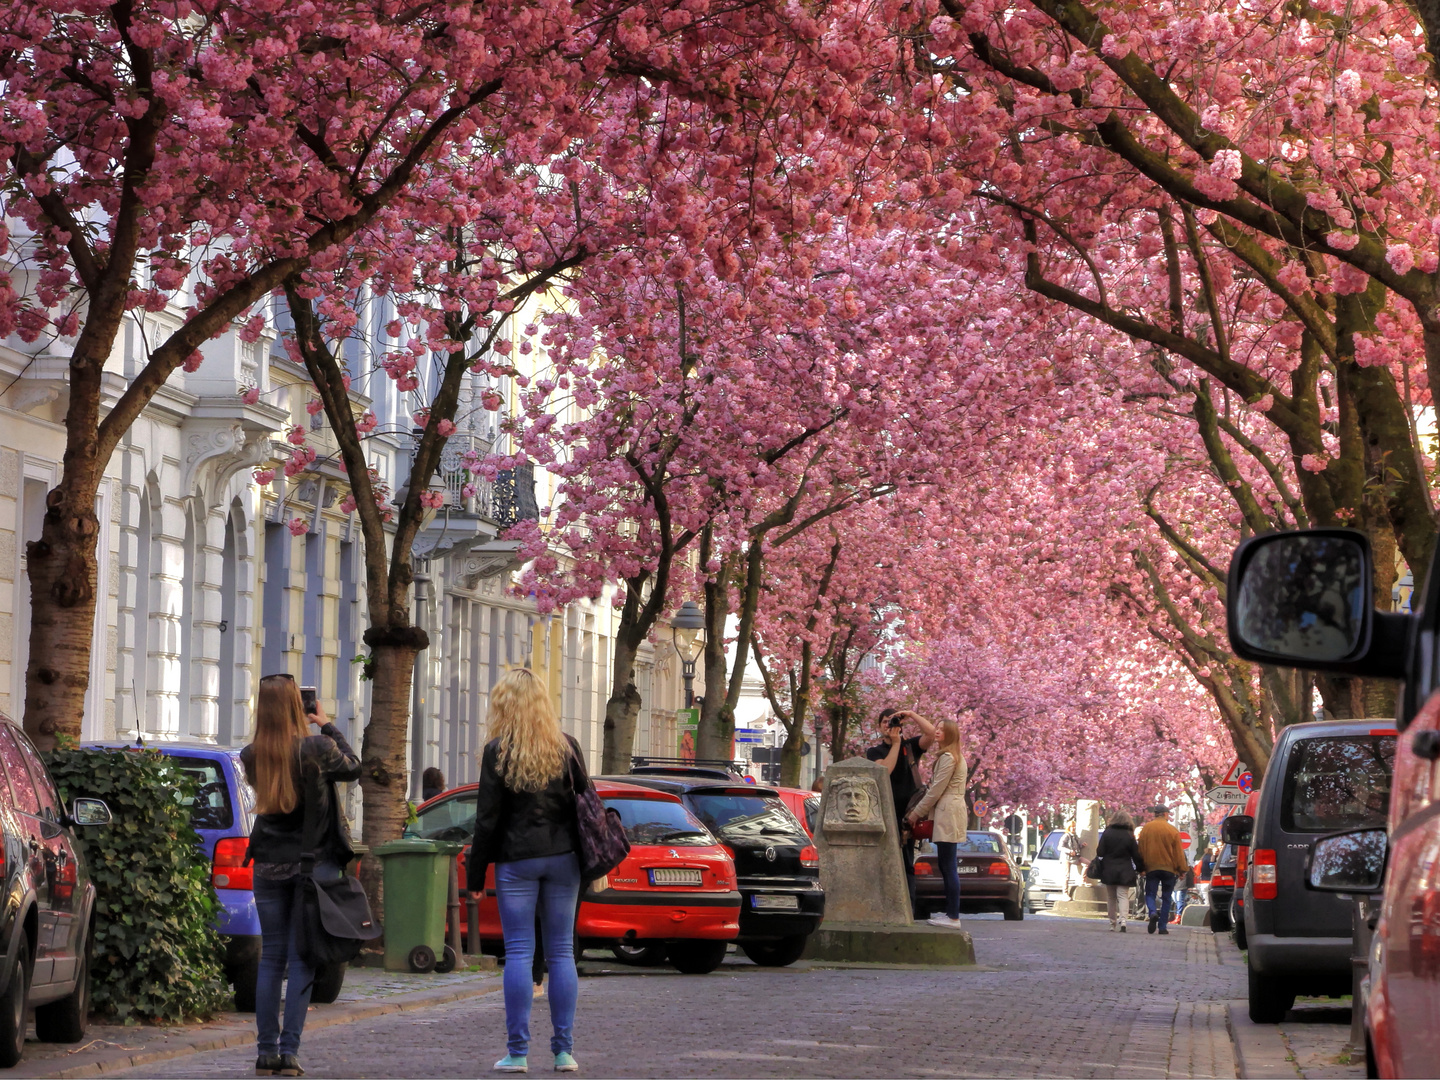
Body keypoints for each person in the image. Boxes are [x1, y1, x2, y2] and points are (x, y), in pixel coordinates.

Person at [241, 674, 361, 1078]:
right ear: (299, 706)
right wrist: (325, 722)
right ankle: (289, 1052)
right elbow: (354, 769)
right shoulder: (317, 748)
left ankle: (264, 1052)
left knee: (271, 959)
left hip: (268, 865)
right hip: (312, 867)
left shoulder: (252, 754)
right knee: (303, 957)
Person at [467, 668, 584, 1074]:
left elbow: (487, 820)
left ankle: (517, 1053)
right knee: (561, 951)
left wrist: (474, 876)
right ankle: (563, 1051)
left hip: (516, 861)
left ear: (504, 705)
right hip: (563, 856)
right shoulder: (566, 747)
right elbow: (584, 805)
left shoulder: (497, 751)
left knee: (519, 951)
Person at [864, 707, 936, 916]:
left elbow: (931, 734)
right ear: (879, 727)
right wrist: (895, 744)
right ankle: (885, 908)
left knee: (906, 864)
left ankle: (908, 911)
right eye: (885, 722)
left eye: (893, 721)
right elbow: (884, 771)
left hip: (908, 816)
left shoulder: (911, 747)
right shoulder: (874, 752)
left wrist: (912, 714)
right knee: (884, 863)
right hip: (885, 814)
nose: (889, 725)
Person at [905, 719, 968, 929]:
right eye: (937, 728)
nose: (937, 732)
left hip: (948, 813)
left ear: (950, 734)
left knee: (948, 864)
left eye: (942, 730)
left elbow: (935, 791)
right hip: (950, 812)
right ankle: (951, 913)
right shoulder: (954, 757)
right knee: (946, 863)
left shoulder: (949, 758)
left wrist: (915, 814)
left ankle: (953, 916)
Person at [1136, 804, 1189, 935]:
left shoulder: (1146, 829)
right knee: (1167, 897)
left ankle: (1153, 912)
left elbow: (1141, 850)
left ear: (1155, 814)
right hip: (1169, 869)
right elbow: (1178, 852)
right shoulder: (1172, 830)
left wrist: (1141, 868)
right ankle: (1163, 927)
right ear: (1165, 814)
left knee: (1150, 894)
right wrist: (1181, 870)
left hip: (1151, 867)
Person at [1093, 811, 1144, 932]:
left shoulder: (1107, 833)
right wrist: (1141, 868)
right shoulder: (1129, 834)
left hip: (1109, 869)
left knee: (1111, 897)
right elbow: (1136, 854)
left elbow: (1100, 851)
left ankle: (1112, 922)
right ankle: (1123, 920)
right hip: (1125, 870)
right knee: (1123, 896)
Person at [1060, 820, 1084, 897]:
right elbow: (1060, 847)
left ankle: (1083, 880)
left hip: (1074, 858)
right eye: (1071, 827)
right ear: (1068, 828)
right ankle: (1065, 893)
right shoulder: (1066, 836)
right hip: (1066, 858)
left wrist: (1081, 845)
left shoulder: (1075, 836)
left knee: (1087, 863)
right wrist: (1069, 851)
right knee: (1066, 876)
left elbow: (1075, 846)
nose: (1073, 828)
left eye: (1074, 827)